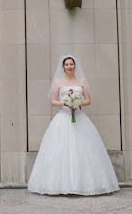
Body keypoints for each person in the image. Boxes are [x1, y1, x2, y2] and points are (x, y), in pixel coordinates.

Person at [27, 54, 119, 196]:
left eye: (71, 64)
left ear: (75, 66)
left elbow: (88, 100)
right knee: (60, 149)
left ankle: (83, 184)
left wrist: (78, 103)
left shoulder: (81, 81)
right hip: (63, 118)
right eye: (67, 64)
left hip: (79, 117)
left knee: (84, 149)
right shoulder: (58, 82)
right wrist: (66, 103)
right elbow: (53, 101)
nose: (69, 66)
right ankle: (60, 185)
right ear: (63, 67)